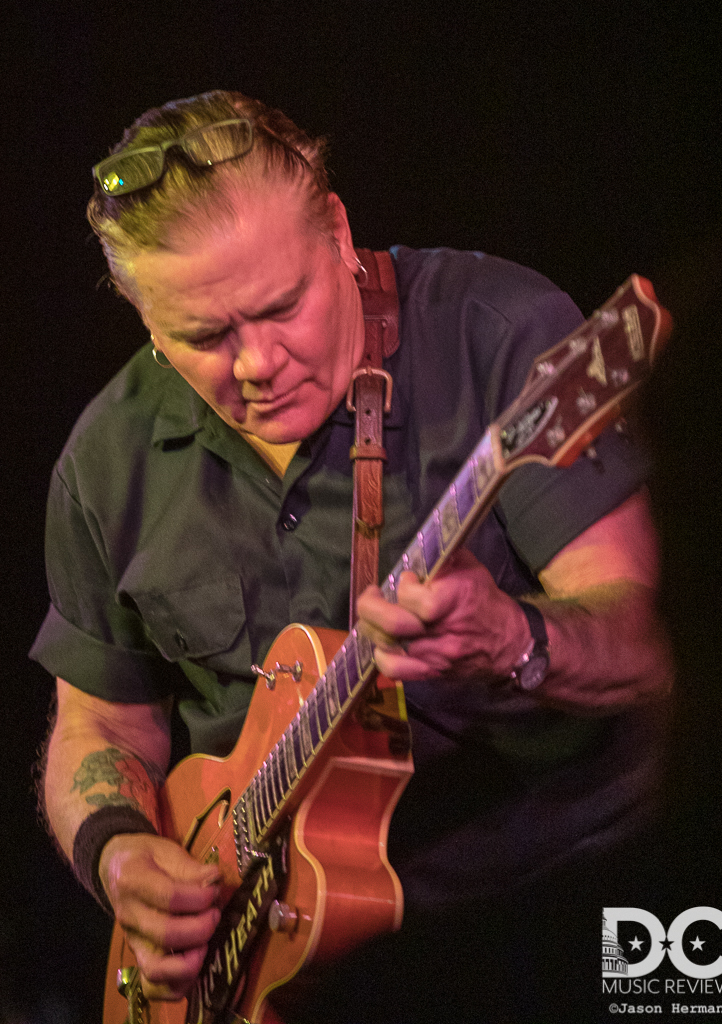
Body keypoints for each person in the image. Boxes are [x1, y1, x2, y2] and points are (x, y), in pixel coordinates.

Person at [32, 91, 672, 1022]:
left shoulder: (496, 333)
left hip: (558, 903)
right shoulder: (106, 460)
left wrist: (515, 640)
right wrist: (120, 854)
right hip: (289, 967)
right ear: (139, 311)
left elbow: (650, 646)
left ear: (336, 230)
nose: (256, 362)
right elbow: (98, 727)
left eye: (282, 306)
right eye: (204, 336)